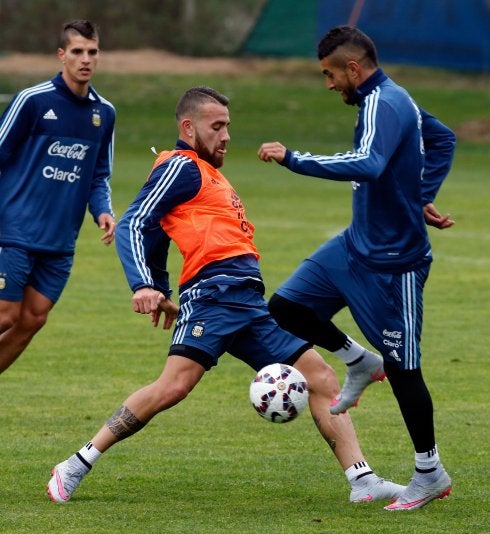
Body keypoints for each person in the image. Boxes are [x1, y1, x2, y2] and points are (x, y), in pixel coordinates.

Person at [47, 86, 404, 504]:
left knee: (322, 378)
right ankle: (75, 464)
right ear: (188, 127)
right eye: (216, 127)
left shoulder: (207, 171)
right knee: (174, 386)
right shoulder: (179, 166)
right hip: (214, 296)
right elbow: (136, 221)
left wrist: (160, 287)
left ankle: (362, 481)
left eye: (227, 126)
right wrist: (144, 284)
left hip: (248, 300)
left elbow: (160, 228)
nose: (226, 135)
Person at [258, 26, 455, 511]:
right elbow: (443, 139)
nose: (328, 85)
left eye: (329, 75)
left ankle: (429, 473)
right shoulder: (385, 102)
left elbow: (367, 164)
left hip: (395, 265)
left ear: (353, 68)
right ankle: (357, 360)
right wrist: (420, 195)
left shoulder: (386, 103)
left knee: (406, 371)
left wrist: (294, 159)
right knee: (286, 306)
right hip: (353, 247)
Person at [0, 20, 116, 374]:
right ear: (61, 55)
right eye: (77, 51)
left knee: (33, 319)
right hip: (15, 231)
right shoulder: (33, 101)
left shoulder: (104, 113)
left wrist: (103, 211)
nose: (86, 59)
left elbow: (98, 174)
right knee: (6, 313)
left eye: (92, 52)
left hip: (61, 239)